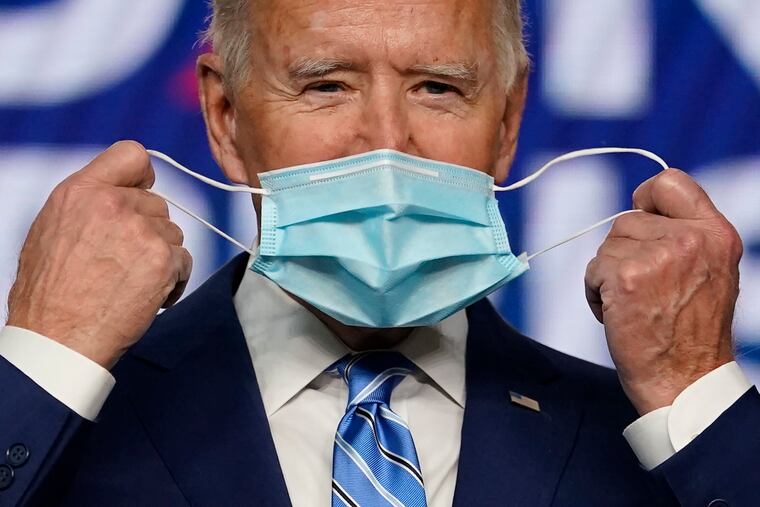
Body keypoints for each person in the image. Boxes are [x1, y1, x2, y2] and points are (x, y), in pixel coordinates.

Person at [0, 0, 756, 505]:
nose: (388, 143)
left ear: (507, 121)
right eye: (327, 86)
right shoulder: (75, 414)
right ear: (225, 116)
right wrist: (47, 357)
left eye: (437, 88)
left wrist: (692, 389)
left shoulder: (644, 437)